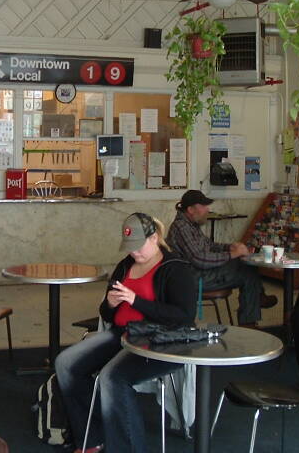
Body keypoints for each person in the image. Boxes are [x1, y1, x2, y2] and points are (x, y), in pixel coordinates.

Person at [55, 212, 197, 453]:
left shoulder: (176, 269)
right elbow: (108, 315)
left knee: (112, 377)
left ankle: (127, 448)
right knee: (65, 363)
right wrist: (109, 304)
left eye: (139, 246)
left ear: (155, 238)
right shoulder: (125, 266)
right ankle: (92, 436)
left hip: (157, 339)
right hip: (122, 333)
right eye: (130, 248)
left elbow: (183, 317)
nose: (135, 253)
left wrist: (136, 301)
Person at [166, 190, 277, 328]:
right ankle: (249, 320)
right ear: (190, 209)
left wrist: (229, 247)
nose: (208, 209)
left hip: (198, 273)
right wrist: (232, 255)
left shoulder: (190, 224)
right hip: (193, 278)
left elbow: (210, 245)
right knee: (246, 271)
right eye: (204, 206)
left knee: (245, 264)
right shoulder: (181, 227)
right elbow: (200, 259)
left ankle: (256, 300)